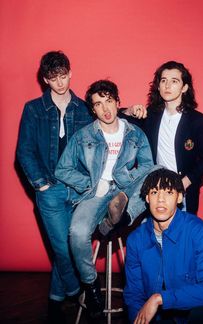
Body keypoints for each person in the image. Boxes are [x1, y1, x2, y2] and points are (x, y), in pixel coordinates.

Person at [16, 51, 145, 323]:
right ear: (45, 80)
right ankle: (76, 290)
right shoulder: (34, 109)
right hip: (51, 190)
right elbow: (25, 151)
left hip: (80, 190)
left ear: (70, 74)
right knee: (62, 248)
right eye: (53, 78)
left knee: (70, 241)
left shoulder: (81, 107)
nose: (60, 82)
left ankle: (55, 298)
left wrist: (130, 110)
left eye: (63, 76)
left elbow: (107, 118)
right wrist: (41, 185)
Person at [55, 79, 155, 319]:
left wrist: (124, 178)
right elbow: (62, 170)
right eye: (99, 104)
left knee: (158, 169)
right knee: (77, 232)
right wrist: (91, 183)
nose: (106, 109)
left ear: (118, 102)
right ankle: (90, 286)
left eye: (109, 101)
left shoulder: (134, 133)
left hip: (125, 191)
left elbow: (148, 165)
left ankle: (121, 216)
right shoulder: (83, 135)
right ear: (93, 109)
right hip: (96, 194)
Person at [124, 169, 203, 324]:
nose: (160, 199)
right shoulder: (136, 240)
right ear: (147, 198)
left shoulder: (198, 231)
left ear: (179, 197)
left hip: (194, 313)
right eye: (154, 192)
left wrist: (160, 298)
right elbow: (134, 295)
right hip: (160, 318)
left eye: (168, 192)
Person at [143, 61, 203, 214]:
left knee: (182, 236)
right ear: (158, 86)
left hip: (184, 191)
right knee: (153, 236)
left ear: (184, 87)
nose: (167, 86)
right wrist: (130, 110)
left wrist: (182, 183)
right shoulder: (150, 115)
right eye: (163, 81)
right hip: (155, 190)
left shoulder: (197, 120)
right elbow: (120, 118)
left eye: (174, 81)